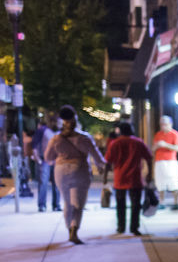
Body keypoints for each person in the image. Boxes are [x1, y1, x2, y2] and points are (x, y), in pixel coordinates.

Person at [44, 105, 105, 245]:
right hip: (80, 169)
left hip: (60, 171)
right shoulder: (84, 138)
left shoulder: (55, 139)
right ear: (76, 119)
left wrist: (60, 158)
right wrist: (103, 166)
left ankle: (69, 229)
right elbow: (98, 158)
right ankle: (74, 229)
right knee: (78, 203)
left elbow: (47, 158)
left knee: (67, 202)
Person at [102, 121, 153, 236]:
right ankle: (134, 228)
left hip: (120, 178)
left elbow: (108, 162)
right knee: (136, 204)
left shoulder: (115, 143)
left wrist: (105, 178)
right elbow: (149, 158)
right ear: (131, 130)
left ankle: (121, 227)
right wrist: (149, 174)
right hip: (135, 178)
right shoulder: (138, 142)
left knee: (120, 204)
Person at [31, 115, 61, 213]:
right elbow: (34, 145)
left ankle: (56, 205)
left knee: (57, 183)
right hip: (45, 160)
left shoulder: (60, 132)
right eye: (56, 122)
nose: (58, 125)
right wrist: (38, 159)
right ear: (51, 122)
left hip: (57, 161)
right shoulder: (42, 130)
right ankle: (42, 205)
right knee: (43, 182)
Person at [152, 114, 178, 209]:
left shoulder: (175, 134)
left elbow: (177, 148)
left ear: (170, 124)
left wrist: (165, 145)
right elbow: (153, 148)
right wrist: (157, 145)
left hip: (170, 161)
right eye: (161, 124)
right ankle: (161, 202)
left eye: (165, 124)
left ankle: (176, 201)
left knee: (173, 181)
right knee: (160, 182)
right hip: (159, 161)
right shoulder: (158, 134)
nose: (163, 126)